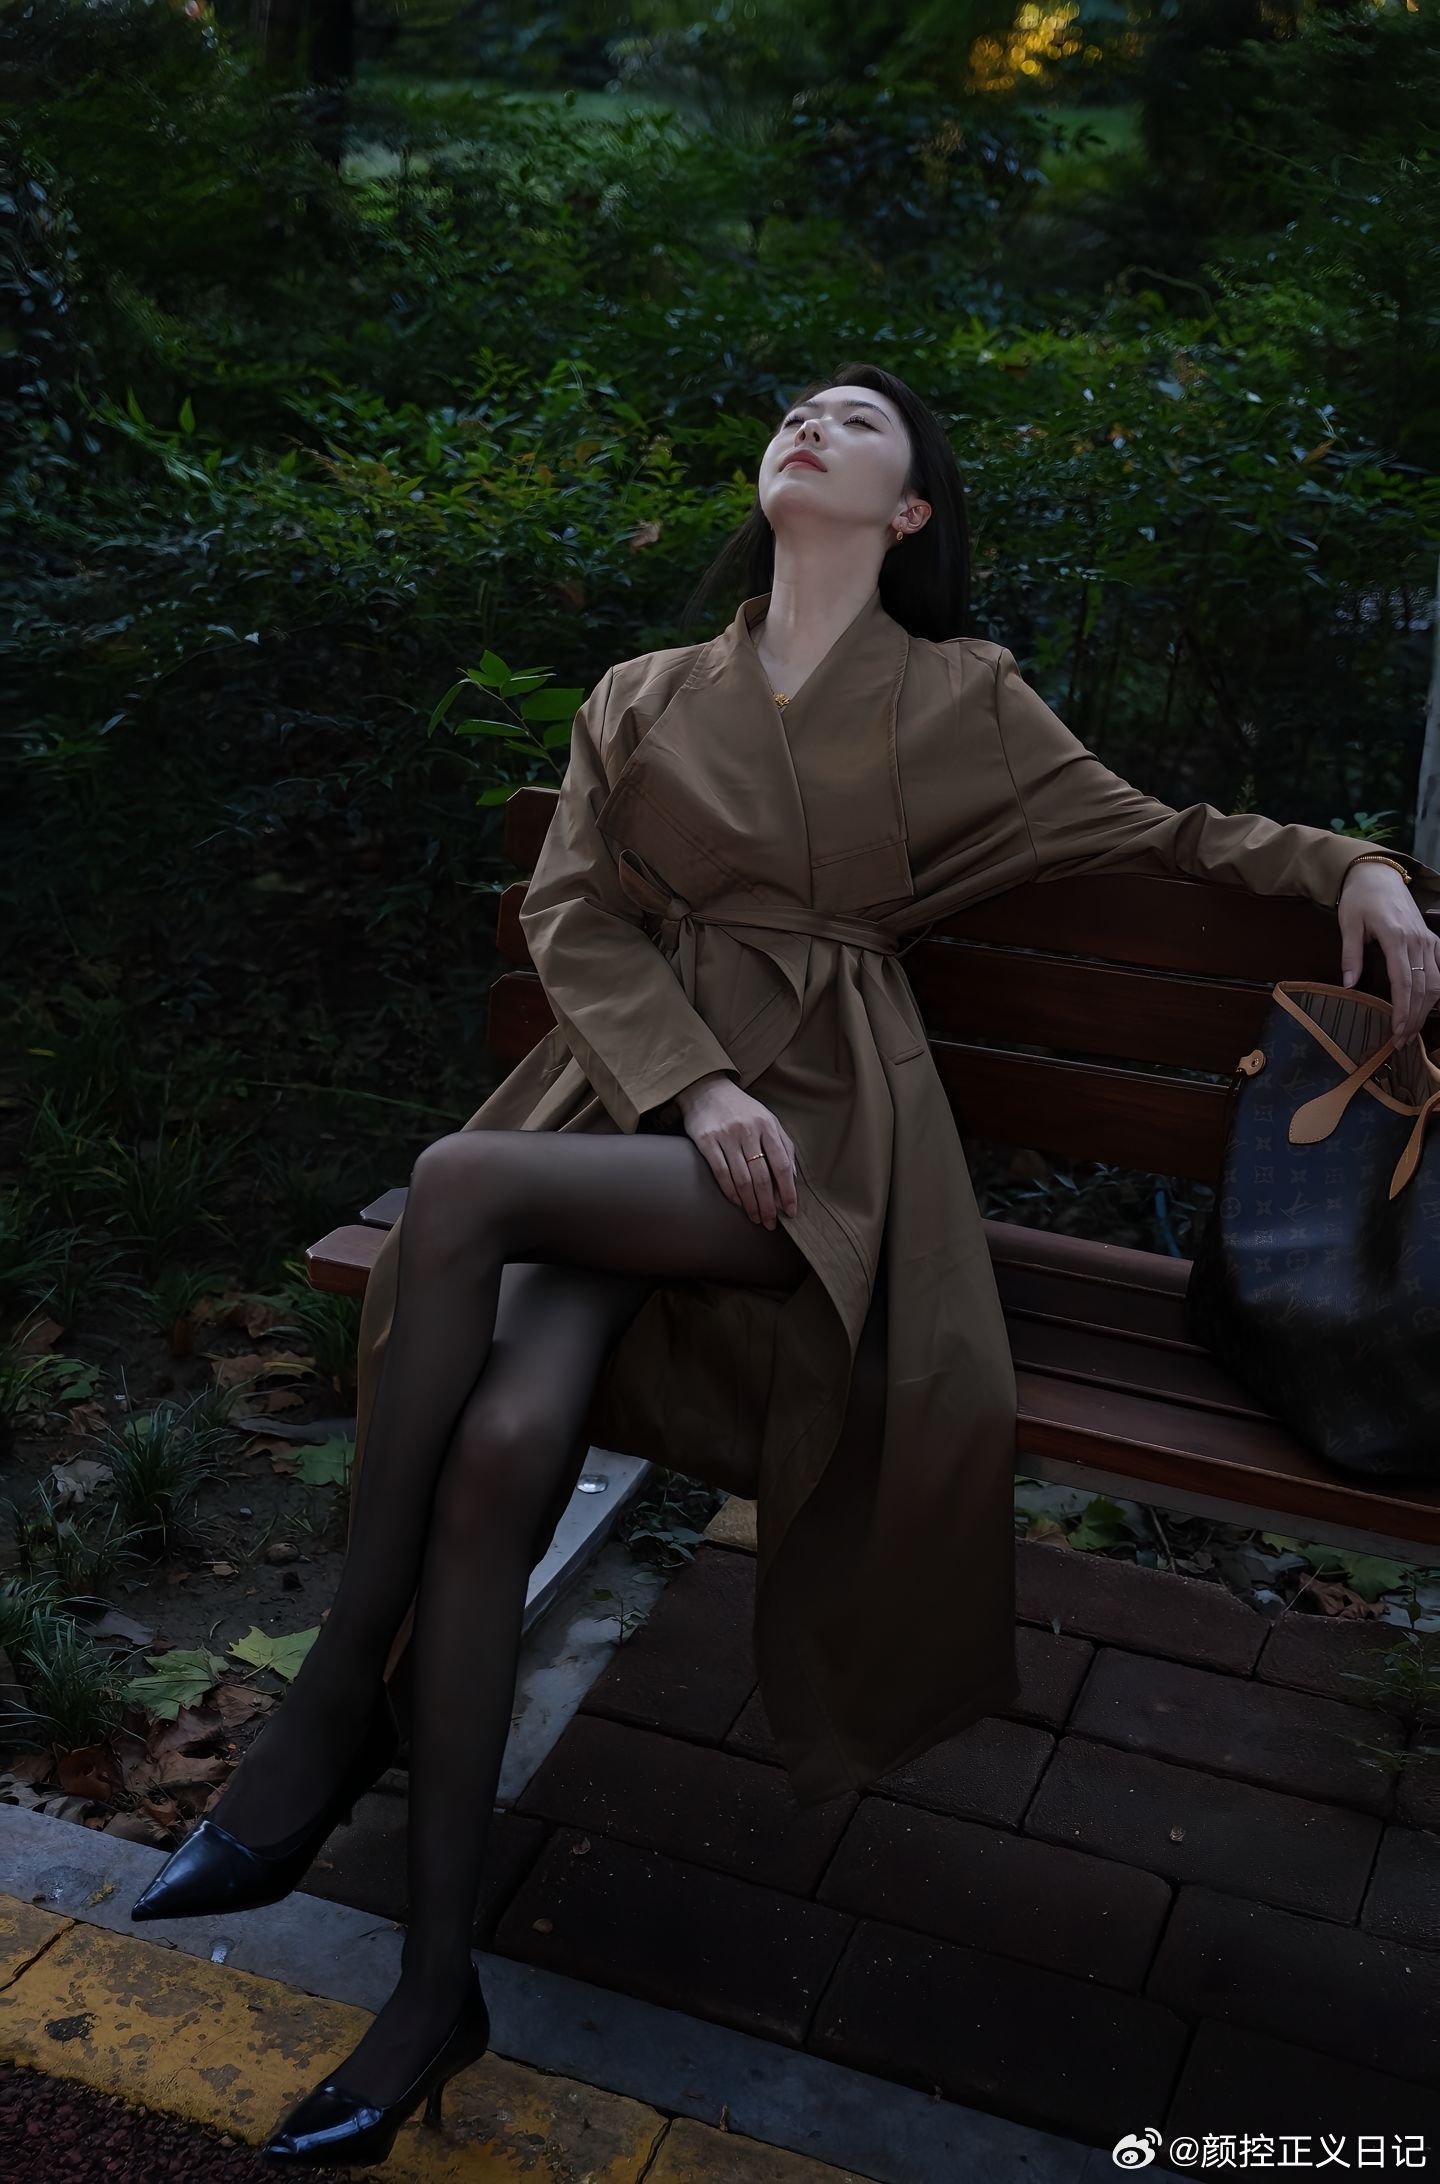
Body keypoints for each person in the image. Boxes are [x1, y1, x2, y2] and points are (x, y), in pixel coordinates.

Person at [128, 365, 1440, 2165]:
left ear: (911, 513)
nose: (810, 425)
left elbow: (1170, 834)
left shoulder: (966, 697)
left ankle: (341, 1685)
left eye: (859, 423)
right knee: (500, 1449)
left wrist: (1360, 865)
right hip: (633, 1106)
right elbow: (572, 908)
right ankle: (432, 1992)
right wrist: (691, 1080)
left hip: (816, 1142)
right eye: (798, 411)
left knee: (455, 1181)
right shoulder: (645, 690)